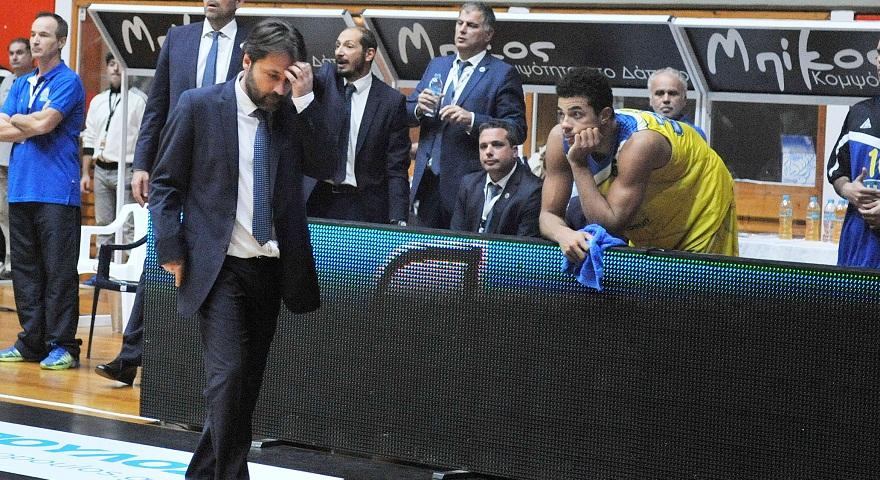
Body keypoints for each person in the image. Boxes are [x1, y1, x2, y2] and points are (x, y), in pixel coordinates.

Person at [149, 19, 332, 478]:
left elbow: (326, 164)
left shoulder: (291, 110)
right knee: (228, 377)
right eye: (272, 76)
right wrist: (170, 248)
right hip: (218, 266)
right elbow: (165, 184)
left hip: (270, 267)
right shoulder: (199, 105)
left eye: (287, 78)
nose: (278, 87)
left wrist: (305, 101)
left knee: (244, 386)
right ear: (246, 61)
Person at [95, 0, 248, 385]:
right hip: (176, 161)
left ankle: (163, 359)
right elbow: (157, 106)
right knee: (163, 252)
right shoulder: (179, 39)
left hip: (226, 169)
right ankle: (132, 353)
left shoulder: (252, 40)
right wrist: (142, 163)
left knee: (208, 261)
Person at [540, 67, 738, 263]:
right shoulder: (560, 137)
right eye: (561, 114)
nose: (565, 124)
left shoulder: (640, 143)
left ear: (605, 116)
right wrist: (563, 234)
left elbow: (611, 225)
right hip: (658, 201)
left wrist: (579, 165)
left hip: (702, 197)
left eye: (576, 114)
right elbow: (547, 215)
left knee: (700, 277)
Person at [0, 13, 85, 369]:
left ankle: (63, 344)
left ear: (60, 42)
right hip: (21, 188)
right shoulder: (21, 83)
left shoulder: (68, 81)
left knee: (58, 272)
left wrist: (24, 121)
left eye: (44, 35)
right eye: (33, 34)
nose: (35, 40)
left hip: (56, 191)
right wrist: (30, 123)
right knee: (25, 271)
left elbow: (47, 123)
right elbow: (2, 127)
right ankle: (31, 341)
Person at [407, 1, 526, 229]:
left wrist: (472, 120)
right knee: (424, 249)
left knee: (460, 249)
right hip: (427, 182)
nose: (462, 30)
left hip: (467, 185)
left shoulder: (502, 74)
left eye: (471, 25)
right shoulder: (438, 65)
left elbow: (517, 129)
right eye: (459, 23)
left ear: (488, 34)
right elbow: (406, 111)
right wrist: (419, 107)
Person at [308, 26, 410, 225]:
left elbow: (396, 167)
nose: (339, 52)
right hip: (318, 199)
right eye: (337, 45)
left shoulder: (390, 101)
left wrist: (398, 217)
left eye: (349, 46)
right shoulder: (327, 80)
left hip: (363, 206)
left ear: (369, 54)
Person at [80, 52, 146, 246]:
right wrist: (86, 173)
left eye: (119, 64)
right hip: (101, 169)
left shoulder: (139, 100)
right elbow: (90, 137)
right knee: (103, 225)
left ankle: (132, 265)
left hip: (126, 170)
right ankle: (104, 265)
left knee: (128, 227)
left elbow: (145, 138)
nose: (115, 69)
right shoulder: (98, 101)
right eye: (111, 64)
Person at [825, 39, 880, 268]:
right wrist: (848, 190)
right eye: (879, 54)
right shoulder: (859, 113)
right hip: (856, 256)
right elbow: (837, 171)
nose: (879, 61)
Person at [451, 120, 541, 236]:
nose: (488, 152)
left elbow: (525, 244)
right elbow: (456, 236)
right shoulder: (469, 184)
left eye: (497, 145)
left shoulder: (532, 191)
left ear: (514, 152)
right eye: (483, 147)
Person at [0, 38, 33, 278]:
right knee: (3, 213)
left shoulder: (35, 81)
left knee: (20, 213)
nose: (14, 57)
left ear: (31, 55)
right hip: (1, 158)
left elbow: (30, 122)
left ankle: (22, 262)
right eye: (11, 53)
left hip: (24, 158)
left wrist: (14, 122)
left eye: (20, 52)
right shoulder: (6, 82)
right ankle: (9, 258)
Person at [647, 67, 706, 140]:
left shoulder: (694, 134)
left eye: (672, 93)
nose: (666, 99)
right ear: (650, 99)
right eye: (659, 93)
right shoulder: (638, 129)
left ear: (684, 99)